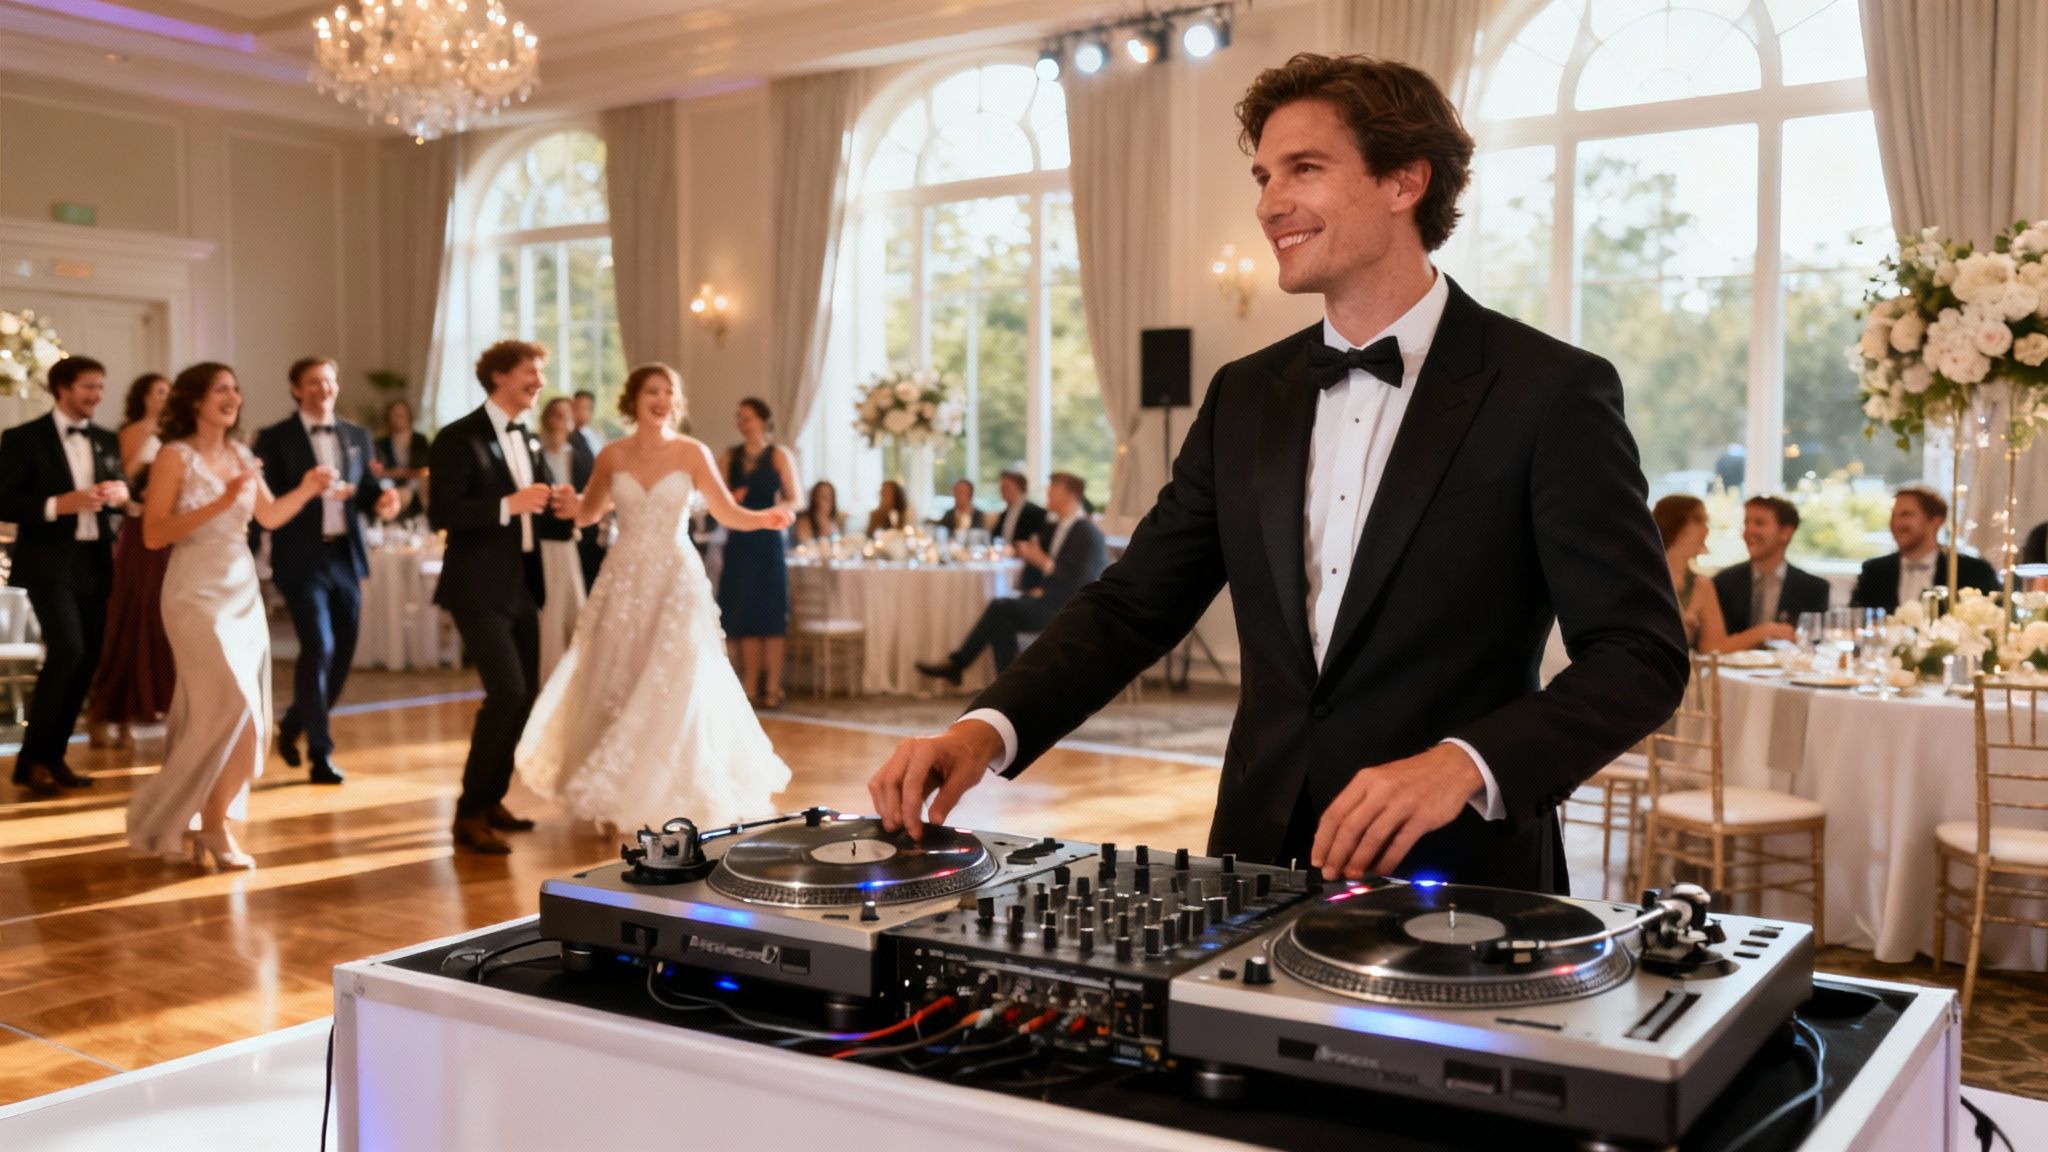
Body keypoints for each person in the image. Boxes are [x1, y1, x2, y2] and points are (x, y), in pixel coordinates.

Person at [866, 54, 1688, 893]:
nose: (1268, 205)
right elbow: (1132, 606)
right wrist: (982, 731)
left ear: (1405, 181)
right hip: (1255, 859)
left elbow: (1640, 656)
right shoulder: (1245, 395)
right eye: (1263, 175)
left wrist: (1462, 764)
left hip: (1466, 879)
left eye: (1304, 169)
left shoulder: (1550, 391)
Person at [516, 363, 793, 830]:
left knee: (676, 676)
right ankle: (610, 785)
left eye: (669, 392)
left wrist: (763, 518)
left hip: (675, 581)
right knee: (615, 674)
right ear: (633, 398)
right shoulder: (612, 455)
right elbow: (587, 513)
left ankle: (671, 786)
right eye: (652, 391)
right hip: (622, 580)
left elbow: (727, 510)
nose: (661, 400)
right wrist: (568, 505)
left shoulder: (692, 453)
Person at [127, 362, 335, 868]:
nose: (232, 396)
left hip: (242, 592)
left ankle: (212, 822)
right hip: (193, 593)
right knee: (227, 702)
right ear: (195, 400)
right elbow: (154, 534)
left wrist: (306, 489)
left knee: (249, 719)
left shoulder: (242, 453)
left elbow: (267, 516)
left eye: (236, 389)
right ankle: (186, 820)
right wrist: (220, 501)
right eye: (220, 388)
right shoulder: (174, 457)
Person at [428, 340, 580, 855]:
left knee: (525, 698)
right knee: (508, 693)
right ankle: (468, 812)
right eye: (530, 373)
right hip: (476, 586)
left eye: (540, 372)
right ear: (498, 376)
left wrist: (564, 511)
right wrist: (508, 504)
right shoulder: (457, 437)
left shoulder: (530, 441)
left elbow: (539, 519)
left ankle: (492, 797)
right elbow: (443, 512)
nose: (539, 382)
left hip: (523, 584)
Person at [253, 357, 404, 785]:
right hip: (300, 557)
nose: (323, 389)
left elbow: (370, 491)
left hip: (345, 556)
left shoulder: (357, 434)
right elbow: (264, 498)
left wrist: (383, 500)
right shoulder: (275, 438)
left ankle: (297, 722)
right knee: (318, 646)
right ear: (297, 389)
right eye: (313, 382)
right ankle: (321, 751)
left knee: (342, 655)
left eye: (329, 381)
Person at [0, 356, 127, 795]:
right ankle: (31, 760)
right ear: (62, 388)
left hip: (95, 561)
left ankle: (51, 757)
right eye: (88, 387)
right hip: (48, 563)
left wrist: (120, 493)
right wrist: (59, 505)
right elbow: (5, 502)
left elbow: (122, 487)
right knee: (68, 651)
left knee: (88, 658)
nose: (96, 395)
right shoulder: (22, 438)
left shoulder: (107, 439)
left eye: (100, 387)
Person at [915, 472, 1106, 682]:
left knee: (1000, 607)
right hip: (1048, 599)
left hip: (1067, 608)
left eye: (1053, 490)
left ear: (1070, 495)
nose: (1048, 494)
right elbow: (1032, 553)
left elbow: (1082, 582)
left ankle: (963, 665)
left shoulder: (1087, 532)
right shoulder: (1056, 527)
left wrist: (1043, 564)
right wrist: (1022, 559)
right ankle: (1007, 684)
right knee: (1002, 619)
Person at [87, 372, 176, 746]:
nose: (164, 397)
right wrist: (134, 505)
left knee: (161, 620)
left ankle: (142, 711)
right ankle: (110, 715)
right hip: (139, 534)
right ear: (142, 397)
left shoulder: (175, 436)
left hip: (170, 532)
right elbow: (119, 481)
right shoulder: (133, 432)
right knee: (132, 618)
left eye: (168, 392)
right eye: (158, 391)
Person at [716, 397, 800, 709]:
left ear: (763, 420)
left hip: (768, 541)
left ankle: (774, 686)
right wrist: (730, 499)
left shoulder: (778, 455)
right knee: (745, 613)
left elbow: (796, 498)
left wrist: (774, 513)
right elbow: (714, 497)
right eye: (739, 417)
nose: (742, 422)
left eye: (748, 417)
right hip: (739, 541)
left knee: (771, 615)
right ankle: (751, 684)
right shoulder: (730, 456)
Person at [1654, 495, 1793, 653]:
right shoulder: (1646, 579)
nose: (1707, 530)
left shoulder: (1701, 585)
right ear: (1679, 526)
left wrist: (1766, 631)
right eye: (1702, 521)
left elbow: (1714, 648)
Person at [1852, 487, 2001, 613]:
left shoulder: (1974, 571)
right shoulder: (1874, 572)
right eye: (1893, 515)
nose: (1895, 523)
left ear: (1936, 521)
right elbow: (1856, 621)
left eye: (1906, 515)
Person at [1711, 495, 1833, 631]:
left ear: (1785, 533)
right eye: (1746, 523)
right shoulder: (1723, 583)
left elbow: (1813, 643)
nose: (1747, 531)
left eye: (1759, 523)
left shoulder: (1814, 589)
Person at [534, 396, 590, 682]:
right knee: (550, 604)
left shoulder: (578, 454)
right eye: (556, 414)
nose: (561, 420)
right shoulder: (536, 453)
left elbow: (590, 494)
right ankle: (548, 669)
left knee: (572, 603)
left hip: (569, 538)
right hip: (544, 539)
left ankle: (572, 671)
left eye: (566, 415)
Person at [570, 389, 608, 588]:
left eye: (588, 409)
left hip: (593, 506)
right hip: (577, 507)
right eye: (579, 407)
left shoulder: (590, 437)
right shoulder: (567, 439)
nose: (583, 413)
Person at [373, 398, 431, 520]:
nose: (399, 416)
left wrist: (402, 473)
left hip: (418, 486)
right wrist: (393, 474)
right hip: (391, 486)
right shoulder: (382, 443)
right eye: (394, 413)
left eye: (402, 413)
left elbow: (426, 469)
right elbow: (379, 472)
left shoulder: (420, 440)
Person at [990, 470, 1047, 546]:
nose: (1002, 491)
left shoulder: (1036, 512)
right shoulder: (1005, 512)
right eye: (1001, 488)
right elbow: (995, 537)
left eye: (1006, 488)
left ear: (1020, 487)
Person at [793, 480, 846, 544]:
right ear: (814, 497)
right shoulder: (804, 520)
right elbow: (805, 543)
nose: (826, 497)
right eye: (822, 493)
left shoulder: (835, 518)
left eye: (829, 494)